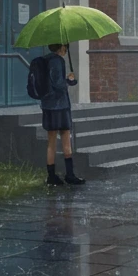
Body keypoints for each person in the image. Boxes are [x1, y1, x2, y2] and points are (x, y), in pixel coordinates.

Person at [41, 43, 84, 186]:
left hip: (48, 105)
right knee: (66, 138)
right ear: (62, 48)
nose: (66, 51)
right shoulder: (57, 61)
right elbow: (58, 84)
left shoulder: (45, 60)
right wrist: (69, 80)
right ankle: (70, 175)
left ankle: (51, 176)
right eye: (65, 48)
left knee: (51, 142)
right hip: (60, 106)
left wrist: (68, 80)